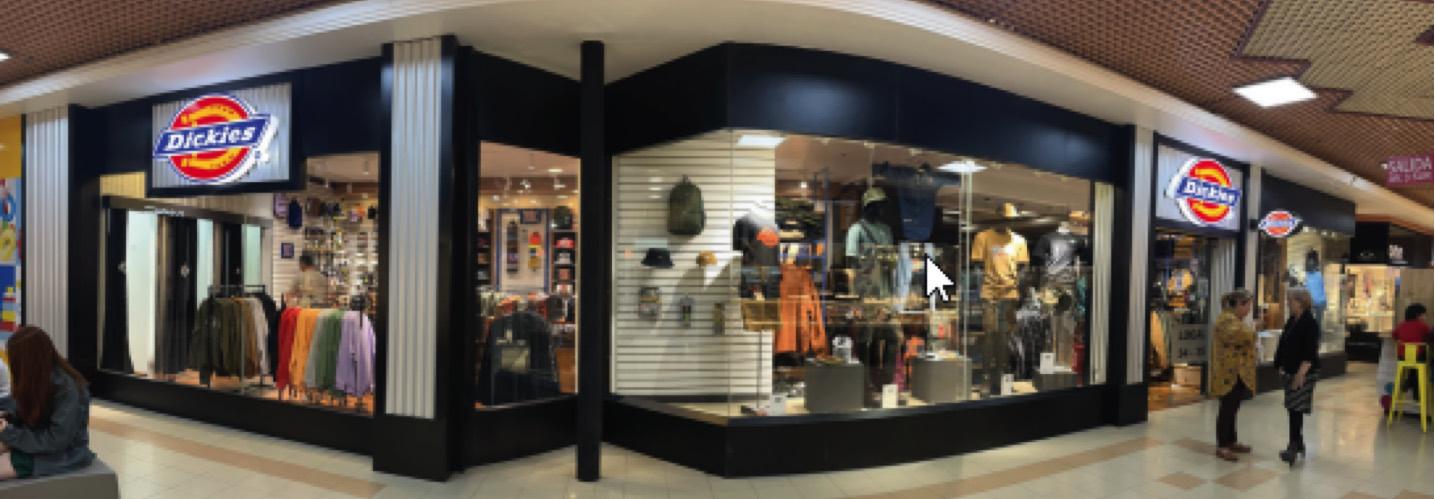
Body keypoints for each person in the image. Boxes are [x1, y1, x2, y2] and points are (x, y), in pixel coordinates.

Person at [0, 326, 95, 479]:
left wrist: (9, 433)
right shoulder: (37, 378)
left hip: (63, 454)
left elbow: (56, 441)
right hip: (37, 441)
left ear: (27, 361)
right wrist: (9, 417)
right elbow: (28, 415)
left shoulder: (67, 389)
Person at [1273, 287, 1320, 466]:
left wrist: (1300, 374)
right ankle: (1298, 442)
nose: (1287, 303)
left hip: (1304, 371)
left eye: (1290, 300)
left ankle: (1292, 446)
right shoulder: (1292, 320)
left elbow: (1310, 351)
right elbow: (1283, 343)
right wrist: (1279, 364)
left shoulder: (1310, 323)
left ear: (1300, 302)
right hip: (1290, 369)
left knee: (1296, 407)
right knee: (1292, 407)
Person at [1210, 289, 1256, 462]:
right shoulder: (1226, 320)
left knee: (1233, 408)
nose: (1249, 310)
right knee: (1227, 409)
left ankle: (1231, 441)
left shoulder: (1235, 320)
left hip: (1237, 373)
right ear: (1239, 304)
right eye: (1248, 305)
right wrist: (1254, 329)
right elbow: (1243, 336)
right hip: (1227, 374)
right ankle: (1222, 445)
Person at [1392, 304, 1432, 397]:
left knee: (1413, 368)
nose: (1425, 317)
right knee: (1420, 365)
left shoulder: (1401, 325)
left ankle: (1410, 382)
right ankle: (1416, 392)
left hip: (1402, 358)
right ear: (1418, 315)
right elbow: (1430, 337)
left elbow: (1394, 335)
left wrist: (1401, 340)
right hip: (1418, 358)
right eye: (1424, 315)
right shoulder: (1423, 326)